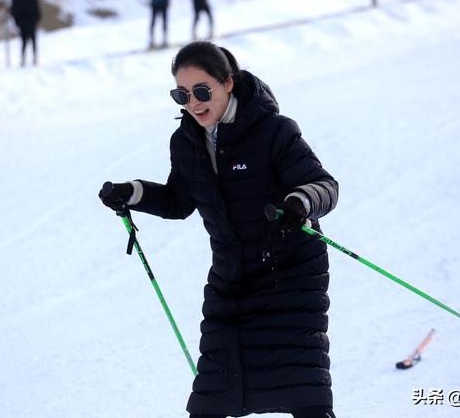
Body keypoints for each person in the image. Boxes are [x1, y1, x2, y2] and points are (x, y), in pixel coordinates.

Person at [99, 41, 338, 418]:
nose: (193, 103)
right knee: (212, 395)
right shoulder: (186, 141)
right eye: (182, 94)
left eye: (202, 91)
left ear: (228, 83)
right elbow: (179, 200)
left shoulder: (273, 131)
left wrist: (299, 203)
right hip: (231, 278)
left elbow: (324, 185)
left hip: (289, 276)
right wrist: (133, 194)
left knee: (302, 388)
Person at [10, 0, 42, 66]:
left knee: (24, 40)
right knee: (33, 39)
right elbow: (36, 6)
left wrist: (17, 21)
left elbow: (13, 10)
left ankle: (23, 59)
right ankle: (34, 58)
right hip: (31, 21)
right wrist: (37, 19)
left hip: (22, 22)